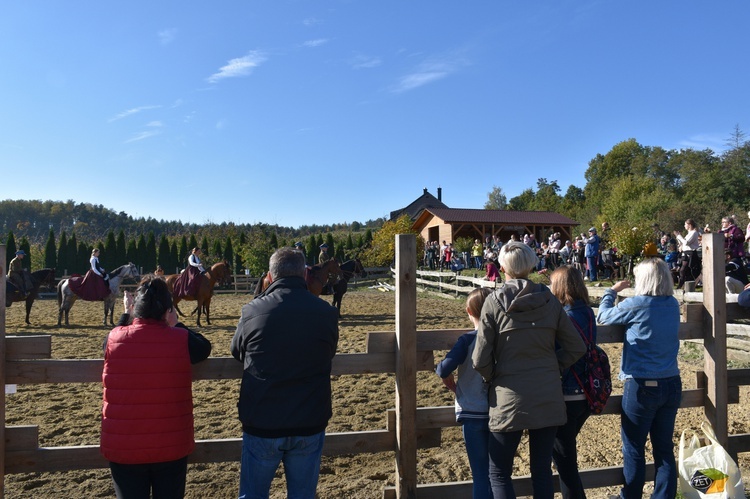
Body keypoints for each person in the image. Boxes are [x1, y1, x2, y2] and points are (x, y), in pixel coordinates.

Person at [472, 241, 586, 499]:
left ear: (502, 268)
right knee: (542, 470)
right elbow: (576, 347)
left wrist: (494, 377)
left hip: (508, 397)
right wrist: (552, 366)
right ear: (532, 265)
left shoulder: (493, 302)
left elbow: (479, 359)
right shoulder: (549, 300)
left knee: (499, 471)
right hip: (547, 395)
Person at [231, 247, 339, 498]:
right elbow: (329, 351)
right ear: (304, 275)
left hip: (262, 419)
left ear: (270, 276)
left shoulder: (251, 311)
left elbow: (237, 351)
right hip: (309, 420)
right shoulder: (327, 313)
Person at [101, 275, 212, 498]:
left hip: (124, 445)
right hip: (171, 445)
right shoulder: (180, 338)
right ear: (167, 309)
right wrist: (175, 322)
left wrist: (126, 313)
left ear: (136, 309)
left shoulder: (114, 337)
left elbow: (107, 341)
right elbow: (203, 348)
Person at [596, 258, 681, 499]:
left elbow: (603, 316)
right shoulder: (672, 304)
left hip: (642, 385)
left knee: (634, 447)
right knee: (664, 448)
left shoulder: (635, 304)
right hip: (671, 382)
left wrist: (610, 291)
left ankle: (630, 497)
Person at [435, 288, 494, 499]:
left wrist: (448, 382)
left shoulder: (467, 340)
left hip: (472, 411)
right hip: (499, 413)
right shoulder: (503, 339)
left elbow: (443, 369)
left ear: (469, 311)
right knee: (498, 474)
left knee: (480, 475)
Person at [549, 266, 597, 499]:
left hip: (566, 393)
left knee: (565, 463)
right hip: (586, 392)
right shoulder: (588, 312)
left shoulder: (563, 317)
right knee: (562, 455)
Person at [674, 219, 701, 289]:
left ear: (689, 225)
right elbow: (683, 243)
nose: (684, 226)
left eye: (685, 224)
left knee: (684, 269)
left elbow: (687, 242)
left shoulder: (694, 233)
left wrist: (679, 236)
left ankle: (681, 284)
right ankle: (683, 285)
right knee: (683, 270)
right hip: (685, 253)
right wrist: (678, 237)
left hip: (690, 253)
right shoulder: (689, 233)